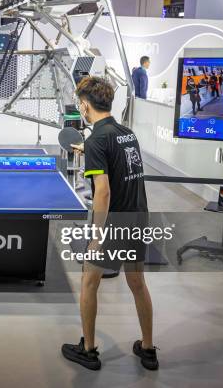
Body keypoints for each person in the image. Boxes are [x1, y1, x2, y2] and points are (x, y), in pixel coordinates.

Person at [62, 76, 158, 372]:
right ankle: (148, 348)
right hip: (138, 217)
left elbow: (102, 191)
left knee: (88, 282)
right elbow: (119, 166)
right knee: (137, 282)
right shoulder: (126, 133)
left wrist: (96, 236)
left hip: (113, 223)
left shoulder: (96, 140)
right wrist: (87, 152)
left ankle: (88, 350)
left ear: (84, 105)